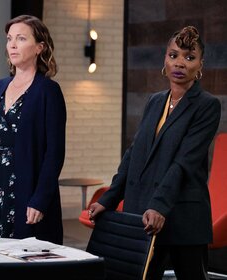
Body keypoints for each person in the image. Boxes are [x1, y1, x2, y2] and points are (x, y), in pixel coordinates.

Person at [89, 26, 221, 279]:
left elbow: (185, 162)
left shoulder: (207, 106)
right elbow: (133, 155)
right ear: (165, 59)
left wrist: (159, 206)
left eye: (189, 57)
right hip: (143, 213)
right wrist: (109, 198)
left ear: (200, 64)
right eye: (173, 55)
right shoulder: (154, 101)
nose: (180, 63)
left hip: (183, 215)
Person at [0, 15, 66, 244]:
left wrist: (40, 199)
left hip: (29, 187)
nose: (12, 44)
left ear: (39, 47)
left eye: (21, 39)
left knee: (27, 258)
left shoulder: (48, 91)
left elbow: (55, 153)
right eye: (10, 39)